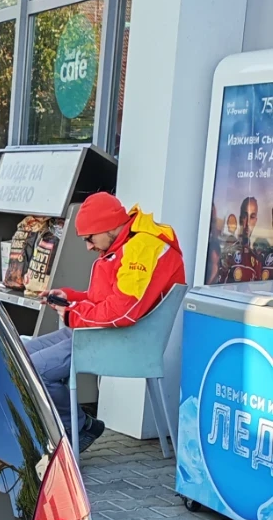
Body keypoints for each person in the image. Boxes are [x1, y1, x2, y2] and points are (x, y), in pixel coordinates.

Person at [22, 191, 186, 452]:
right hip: (107, 334)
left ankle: (78, 429)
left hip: (123, 340)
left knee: (34, 370)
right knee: (18, 357)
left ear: (109, 226)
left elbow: (122, 312)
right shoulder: (127, 243)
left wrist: (73, 314)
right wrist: (71, 298)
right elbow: (107, 301)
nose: (88, 246)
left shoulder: (141, 247)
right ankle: (69, 428)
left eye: (90, 238)